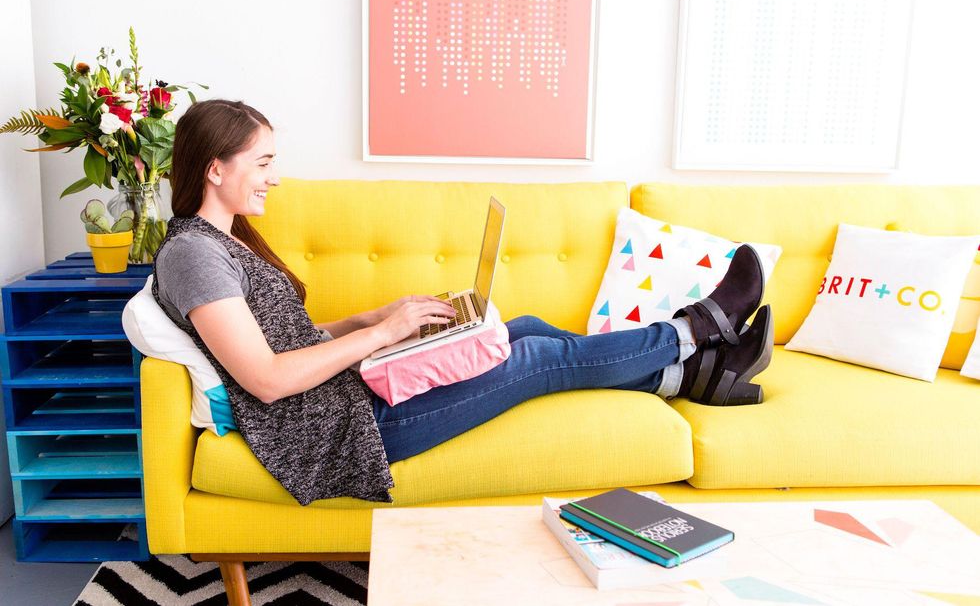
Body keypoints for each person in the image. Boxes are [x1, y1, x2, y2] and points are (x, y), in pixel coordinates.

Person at [151, 99, 774, 506]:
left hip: (347, 395)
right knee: (534, 359)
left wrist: (372, 320)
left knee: (523, 327)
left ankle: (687, 374)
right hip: (346, 431)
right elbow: (263, 378)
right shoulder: (193, 256)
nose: (275, 177)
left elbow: (283, 338)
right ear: (214, 168)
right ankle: (698, 331)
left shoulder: (220, 242)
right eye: (263, 162)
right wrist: (381, 334)